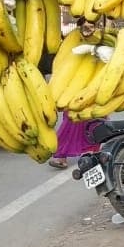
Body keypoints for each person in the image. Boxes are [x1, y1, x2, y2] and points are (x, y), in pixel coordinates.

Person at [48, 19, 104, 169]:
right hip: (74, 90)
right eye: (85, 26)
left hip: (94, 90)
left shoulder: (103, 43)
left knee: (95, 124)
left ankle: (93, 156)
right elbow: (62, 66)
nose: (89, 29)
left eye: (91, 26)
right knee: (69, 124)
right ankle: (61, 157)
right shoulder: (72, 43)